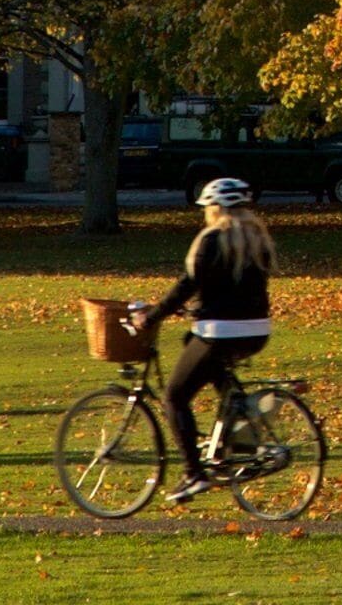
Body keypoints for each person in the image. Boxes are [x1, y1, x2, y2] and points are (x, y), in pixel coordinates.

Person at [137, 177, 275, 484]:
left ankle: (193, 473)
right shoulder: (257, 238)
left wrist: (153, 316)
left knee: (174, 397)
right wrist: (197, 310)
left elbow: (188, 284)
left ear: (216, 208)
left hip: (220, 331)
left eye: (207, 207)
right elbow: (232, 290)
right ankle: (238, 423)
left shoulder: (212, 238)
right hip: (257, 330)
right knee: (194, 345)